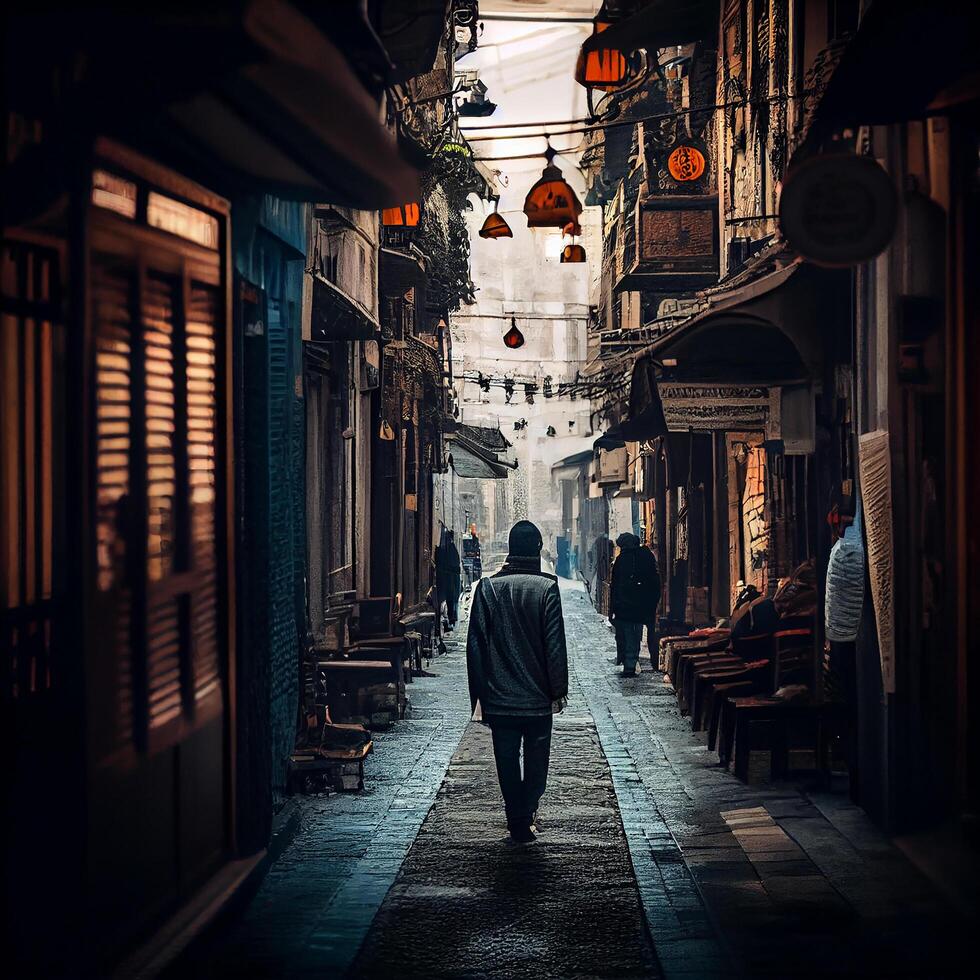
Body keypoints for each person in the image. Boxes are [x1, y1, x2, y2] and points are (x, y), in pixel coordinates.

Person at [466, 520, 569, 844]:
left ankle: (517, 818)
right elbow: (555, 645)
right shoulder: (547, 588)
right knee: (537, 762)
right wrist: (558, 690)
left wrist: (479, 697)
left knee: (507, 761)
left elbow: (475, 647)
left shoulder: (489, 588)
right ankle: (528, 808)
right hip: (537, 701)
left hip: (500, 700)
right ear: (537, 548)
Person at [609, 532, 661, 677]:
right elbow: (655, 580)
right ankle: (647, 662)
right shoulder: (646, 555)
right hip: (643, 605)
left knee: (628, 635)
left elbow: (615, 586)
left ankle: (630, 664)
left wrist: (612, 609)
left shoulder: (621, 560)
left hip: (626, 607)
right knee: (636, 634)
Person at [435, 528, 462, 629]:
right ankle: (451, 617)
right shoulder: (451, 547)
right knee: (451, 599)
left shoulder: (448, 548)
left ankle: (451, 617)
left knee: (451, 599)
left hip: (449, 578)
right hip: (450, 578)